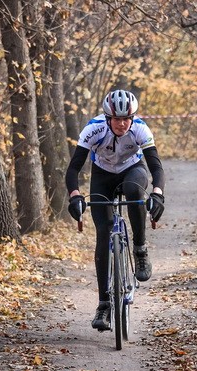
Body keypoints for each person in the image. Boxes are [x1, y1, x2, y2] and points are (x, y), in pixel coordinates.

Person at [65, 89, 165, 331]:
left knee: (133, 192)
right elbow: (73, 169)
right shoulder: (93, 129)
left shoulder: (140, 129)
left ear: (132, 118)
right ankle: (103, 305)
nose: (122, 124)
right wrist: (75, 196)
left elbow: (155, 166)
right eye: (117, 119)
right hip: (103, 176)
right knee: (103, 232)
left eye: (126, 119)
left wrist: (158, 194)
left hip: (133, 170)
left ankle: (140, 249)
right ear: (108, 118)